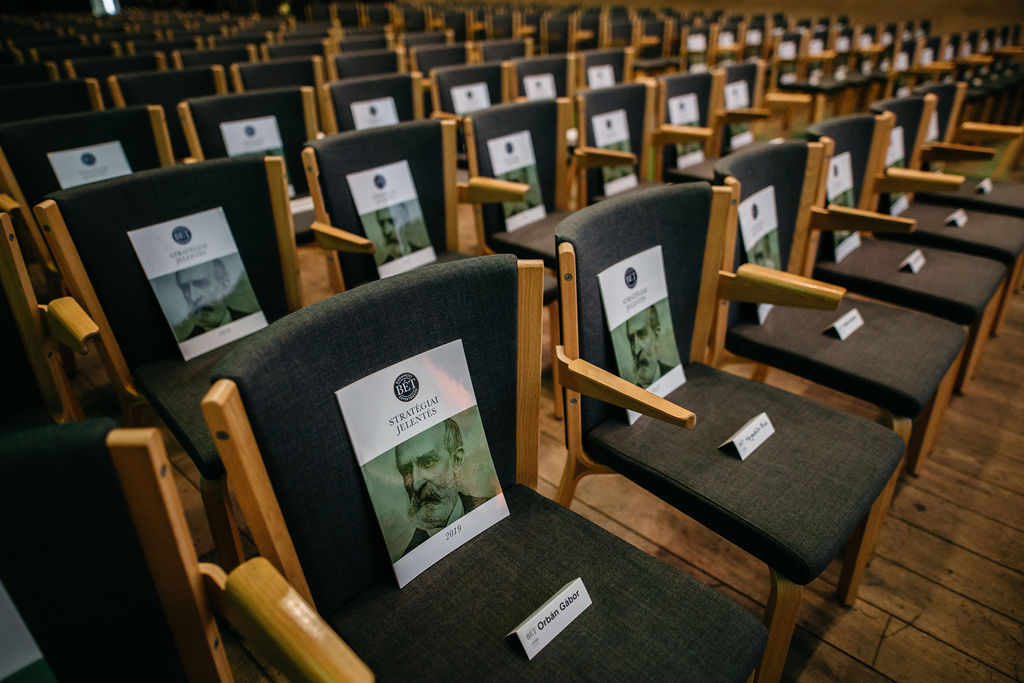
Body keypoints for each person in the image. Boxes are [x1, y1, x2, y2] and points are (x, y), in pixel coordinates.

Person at [395, 418, 488, 556]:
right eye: (407, 471)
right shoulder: (411, 557)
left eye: (428, 462)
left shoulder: (492, 507)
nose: (416, 485)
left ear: (456, 460)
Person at [174, 258, 250, 340]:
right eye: (185, 288)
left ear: (224, 282)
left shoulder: (252, 322)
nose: (193, 297)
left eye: (201, 284)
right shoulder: (189, 344)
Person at [625, 304, 673, 388]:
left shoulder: (672, 374)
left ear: (656, 334)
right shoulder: (629, 388)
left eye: (642, 334)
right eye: (631, 339)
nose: (636, 350)